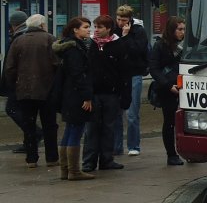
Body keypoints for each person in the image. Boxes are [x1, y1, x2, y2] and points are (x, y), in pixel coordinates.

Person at [2, 14, 58, 169]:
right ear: (42, 25)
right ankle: (52, 157)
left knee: (29, 125)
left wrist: (15, 85)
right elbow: (57, 64)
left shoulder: (18, 41)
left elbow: (9, 67)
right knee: (50, 126)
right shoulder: (50, 39)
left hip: (25, 91)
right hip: (47, 91)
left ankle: (31, 158)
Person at [81, 15, 126, 173]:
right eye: (95, 27)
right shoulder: (89, 44)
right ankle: (89, 161)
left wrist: (125, 94)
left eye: (100, 27)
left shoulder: (118, 44)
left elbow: (123, 71)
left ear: (108, 29)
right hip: (93, 93)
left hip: (111, 93)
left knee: (109, 127)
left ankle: (107, 159)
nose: (96, 30)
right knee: (92, 127)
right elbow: (85, 70)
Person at [53, 16, 95, 181]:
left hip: (68, 94)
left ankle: (66, 170)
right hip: (76, 95)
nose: (88, 30)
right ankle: (74, 171)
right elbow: (78, 74)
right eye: (85, 27)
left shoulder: (67, 47)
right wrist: (87, 96)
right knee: (76, 129)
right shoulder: (74, 49)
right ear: (75, 30)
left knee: (70, 129)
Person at [148, 16, 185, 166]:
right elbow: (154, 69)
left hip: (184, 87)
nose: (183, 32)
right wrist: (168, 85)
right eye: (180, 29)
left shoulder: (186, 46)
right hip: (168, 89)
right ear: (171, 30)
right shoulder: (160, 46)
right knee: (169, 121)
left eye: (184, 29)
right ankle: (171, 154)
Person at [116, 4, 149, 156]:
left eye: (123, 20)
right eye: (118, 19)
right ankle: (116, 146)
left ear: (130, 20)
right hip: (118, 75)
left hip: (134, 74)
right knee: (116, 112)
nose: (120, 23)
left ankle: (133, 145)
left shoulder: (139, 31)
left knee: (132, 113)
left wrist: (126, 36)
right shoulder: (114, 30)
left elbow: (137, 51)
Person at [3, 9, 37, 155]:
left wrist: (10, 81)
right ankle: (28, 141)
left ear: (13, 24)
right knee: (25, 111)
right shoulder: (29, 35)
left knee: (12, 109)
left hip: (20, 81)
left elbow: (11, 64)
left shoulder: (18, 37)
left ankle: (34, 134)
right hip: (31, 80)